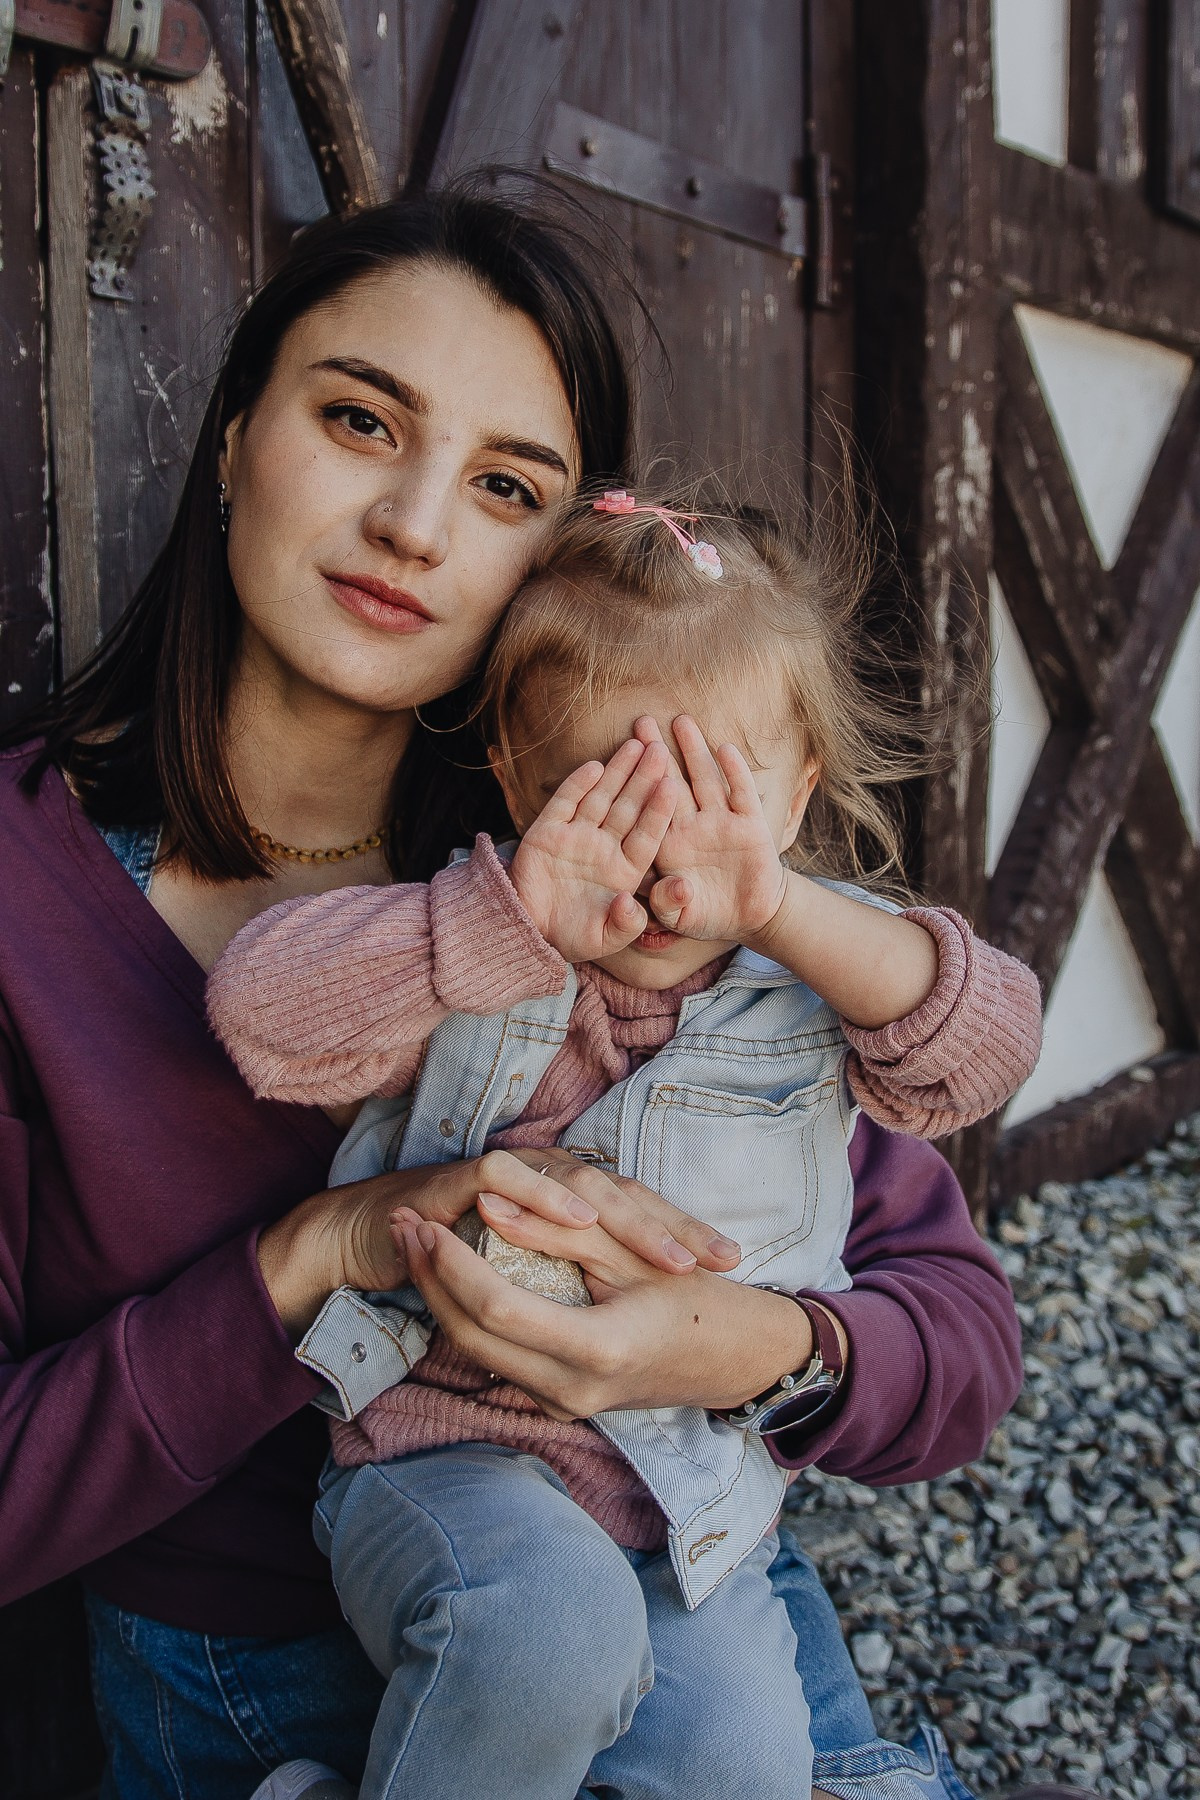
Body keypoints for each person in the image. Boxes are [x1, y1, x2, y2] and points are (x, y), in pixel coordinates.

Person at [0, 182, 1048, 1800]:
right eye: (360, 418)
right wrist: (320, 1252)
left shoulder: (639, 902)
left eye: (505, 486)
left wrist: (752, 1347)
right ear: (228, 440)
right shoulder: (31, 901)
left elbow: (961, 1340)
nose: (418, 523)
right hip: (266, 1675)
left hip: (692, 1594)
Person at [207, 485, 1044, 1800]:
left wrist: (783, 907)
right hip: (446, 1453)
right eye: (609, 798)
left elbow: (991, 1046)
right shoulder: (484, 942)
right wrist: (506, 916)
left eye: (714, 799)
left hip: (693, 1503)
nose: (664, 870)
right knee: (545, 1642)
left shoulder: (816, 989)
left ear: (801, 789)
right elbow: (260, 1018)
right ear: (521, 777)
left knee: (749, 1765)